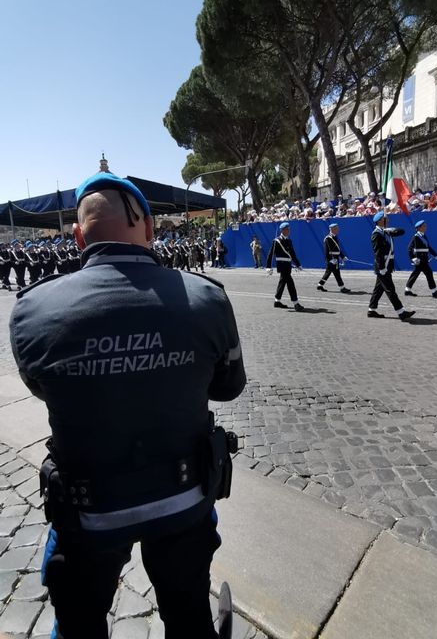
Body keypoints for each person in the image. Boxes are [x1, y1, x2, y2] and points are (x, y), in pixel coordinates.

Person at [9, 172, 246, 639]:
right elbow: (228, 387)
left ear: (78, 237)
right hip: (184, 500)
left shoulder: (33, 309)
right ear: (151, 229)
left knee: (77, 626)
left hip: (87, 511)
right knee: (188, 617)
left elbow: (43, 389)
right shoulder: (206, 297)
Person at [367, 210, 415, 321]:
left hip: (387, 265)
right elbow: (377, 253)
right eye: (386, 218)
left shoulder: (385, 232)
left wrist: (391, 230)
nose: (388, 220)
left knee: (378, 289)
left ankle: (371, 310)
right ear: (380, 220)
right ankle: (401, 312)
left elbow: (402, 232)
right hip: (383, 266)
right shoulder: (376, 234)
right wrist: (381, 267)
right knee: (390, 289)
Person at [266, 222, 304, 311]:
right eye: (286, 229)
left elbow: (292, 254)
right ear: (282, 230)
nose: (288, 231)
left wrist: (298, 264)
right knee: (290, 283)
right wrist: (268, 266)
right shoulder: (277, 241)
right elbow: (271, 254)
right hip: (282, 265)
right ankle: (296, 303)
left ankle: (277, 301)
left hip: (288, 265)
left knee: (282, 282)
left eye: (288, 229)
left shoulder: (289, 241)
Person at [405, 220, 437, 298]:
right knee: (428, 273)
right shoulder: (415, 237)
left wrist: (435, 254)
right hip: (419, 260)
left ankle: (407, 290)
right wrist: (413, 258)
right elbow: (409, 248)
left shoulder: (424, 236)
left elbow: (428, 247)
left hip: (424, 259)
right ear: (419, 228)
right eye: (424, 226)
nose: (425, 227)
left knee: (416, 274)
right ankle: (434, 291)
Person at [317, 223, 351, 293]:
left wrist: (343, 257)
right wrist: (331, 259)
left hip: (335, 258)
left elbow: (338, 249)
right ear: (332, 229)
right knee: (336, 273)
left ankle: (320, 285)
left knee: (329, 273)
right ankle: (342, 288)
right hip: (332, 259)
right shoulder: (328, 238)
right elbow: (326, 251)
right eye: (336, 228)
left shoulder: (334, 237)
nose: (338, 230)